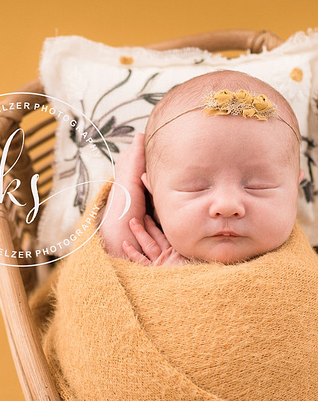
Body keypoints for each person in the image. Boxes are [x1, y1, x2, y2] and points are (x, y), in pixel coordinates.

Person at [98, 70, 304, 266]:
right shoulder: (150, 245)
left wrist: (178, 286)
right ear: (153, 195)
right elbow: (106, 271)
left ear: (295, 190)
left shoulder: (297, 271)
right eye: (195, 187)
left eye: (258, 186)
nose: (226, 206)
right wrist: (126, 188)